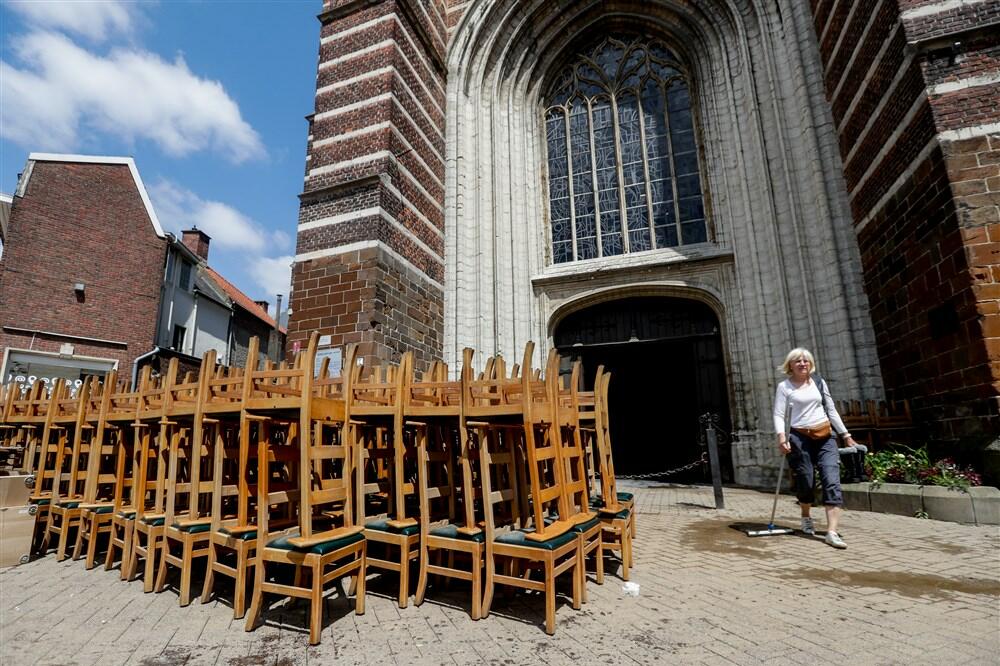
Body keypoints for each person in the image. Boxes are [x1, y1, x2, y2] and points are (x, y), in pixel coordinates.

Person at [773, 348, 858, 549]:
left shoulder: (819, 382)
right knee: (806, 479)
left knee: (831, 479)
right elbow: (779, 414)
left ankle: (831, 532)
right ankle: (806, 514)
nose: (803, 363)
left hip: (825, 436)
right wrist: (782, 437)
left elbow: (831, 409)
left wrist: (846, 435)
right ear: (790, 365)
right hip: (799, 437)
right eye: (798, 361)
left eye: (806, 360)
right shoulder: (785, 387)